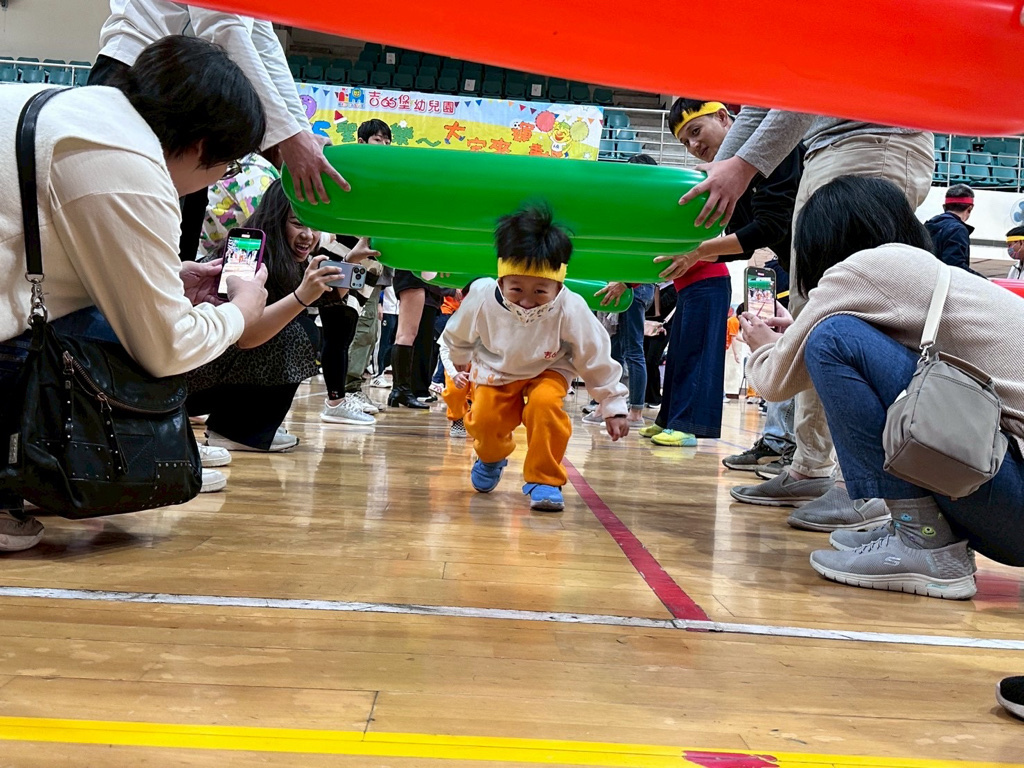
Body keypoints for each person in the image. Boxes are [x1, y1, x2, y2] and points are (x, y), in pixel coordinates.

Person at [0, 36, 270, 552]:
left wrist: (170, 275)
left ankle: (37, 464)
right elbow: (168, 347)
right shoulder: (129, 167)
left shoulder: (81, 111)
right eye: (229, 166)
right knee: (125, 342)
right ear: (200, 146)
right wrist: (241, 311)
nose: (219, 179)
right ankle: (47, 466)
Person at [742, 175, 1024, 599]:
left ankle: (919, 538)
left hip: (1010, 501)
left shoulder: (864, 267)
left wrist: (763, 346)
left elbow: (774, 382)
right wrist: (794, 333)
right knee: (836, 336)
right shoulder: (926, 273)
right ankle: (911, 529)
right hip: (1007, 502)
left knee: (831, 337)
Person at [688, 107, 933, 528]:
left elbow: (790, 96)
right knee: (815, 311)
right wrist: (725, 167)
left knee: (851, 314)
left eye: (695, 132)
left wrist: (740, 167)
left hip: (872, 138)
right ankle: (811, 469)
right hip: (826, 148)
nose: (692, 144)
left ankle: (866, 486)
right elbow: (765, 102)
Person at [92, 0, 347, 260]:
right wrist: (290, 136)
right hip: (150, 76)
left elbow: (262, 37)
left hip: (190, 85)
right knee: (128, 239)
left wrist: (299, 130)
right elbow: (221, 26)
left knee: (176, 248)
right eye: (228, 161)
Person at [441, 206, 629, 511]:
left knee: (545, 406)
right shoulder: (482, 295)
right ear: (501, 281)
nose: (527, 301)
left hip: (548, 366)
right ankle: (491, 457)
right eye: (516, 289)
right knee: (485, 420)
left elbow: (594, 355)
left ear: (559, 285)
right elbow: (457, 331)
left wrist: (613, 404)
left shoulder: (571, 306)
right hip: (496, 366)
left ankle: (545, 478)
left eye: (540, 291)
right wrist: (460, 356)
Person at [641, 99, 802, 449]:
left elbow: (770, 226)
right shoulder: (727, 179)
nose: (693, 145)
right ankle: (784, 447)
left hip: (812, 259)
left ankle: (790, 451)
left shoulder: (773, 144)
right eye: (685, 141)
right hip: (797, 262)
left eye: (696, 131)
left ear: (723, 117)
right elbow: (744, 241)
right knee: (683, 354)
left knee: (699, 355)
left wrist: (697, 252)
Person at [188, 179, 353, 449]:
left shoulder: (286, 257)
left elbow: (330, 297)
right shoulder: (247, 255)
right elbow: (243, 336)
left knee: (297, 327)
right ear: (276, 219)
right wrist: (301, 297)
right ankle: (239, 430)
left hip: (202, 374)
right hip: (185, 380)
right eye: (298, 224)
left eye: (314, 226)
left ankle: (240, 424)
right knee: (297, 333)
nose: (308, 235)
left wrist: (352, 261)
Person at [586, 154, 658, 429]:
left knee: (633, 350)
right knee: (613, 349)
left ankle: (636, 411)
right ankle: (608, 405)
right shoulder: (632, 207)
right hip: (619, 285)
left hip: (633, 287)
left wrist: (626, 283)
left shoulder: (649, 212)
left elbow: (649, 257)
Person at [339, 120, 394, 407]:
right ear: (361, 142)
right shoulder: (350, 177)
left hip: (375, 269)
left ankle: (352, 388)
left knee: (369, 327)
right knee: (355, 324)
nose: (384, 146)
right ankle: (344, 391)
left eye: (387, 142)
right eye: (378, 140)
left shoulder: (386, 181)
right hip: (352, 262)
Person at [924, 184, 981, 275]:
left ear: (944, 207)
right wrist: (983, 280)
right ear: (970, 208)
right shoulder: (958, 230)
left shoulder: (928, 225)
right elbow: (956, 268)